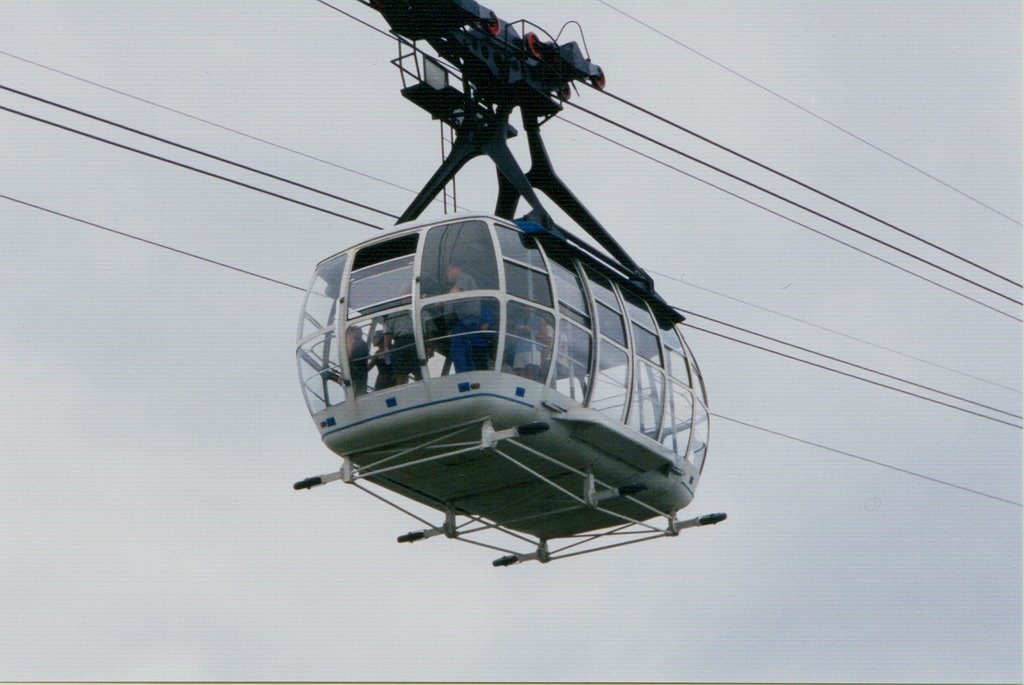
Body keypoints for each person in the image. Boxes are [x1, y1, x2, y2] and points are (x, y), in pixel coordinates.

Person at [444, 261, 490, 373]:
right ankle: (469, 374)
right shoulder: (465, 280)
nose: (447, 274)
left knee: (457, 351)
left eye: (448, 270)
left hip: (465, 323)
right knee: (467, 352)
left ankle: (462, 376)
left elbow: (456, 291)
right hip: (464, 323)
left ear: (457, 268)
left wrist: (442, 299)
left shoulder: (464, 278)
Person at [382, 312, 421, 384]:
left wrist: (388, 351)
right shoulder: (411, 312)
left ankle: (401, 388)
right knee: (419, 372)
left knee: (400, 374)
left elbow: (387, 340)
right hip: (415, 341)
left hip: (400, 343)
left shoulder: (390, 317)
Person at [346, 325, 369, 396]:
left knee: (358, 393)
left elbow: (352, 358)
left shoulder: (360, 344)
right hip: (359, 373)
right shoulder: (361, 343)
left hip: (358, 373)